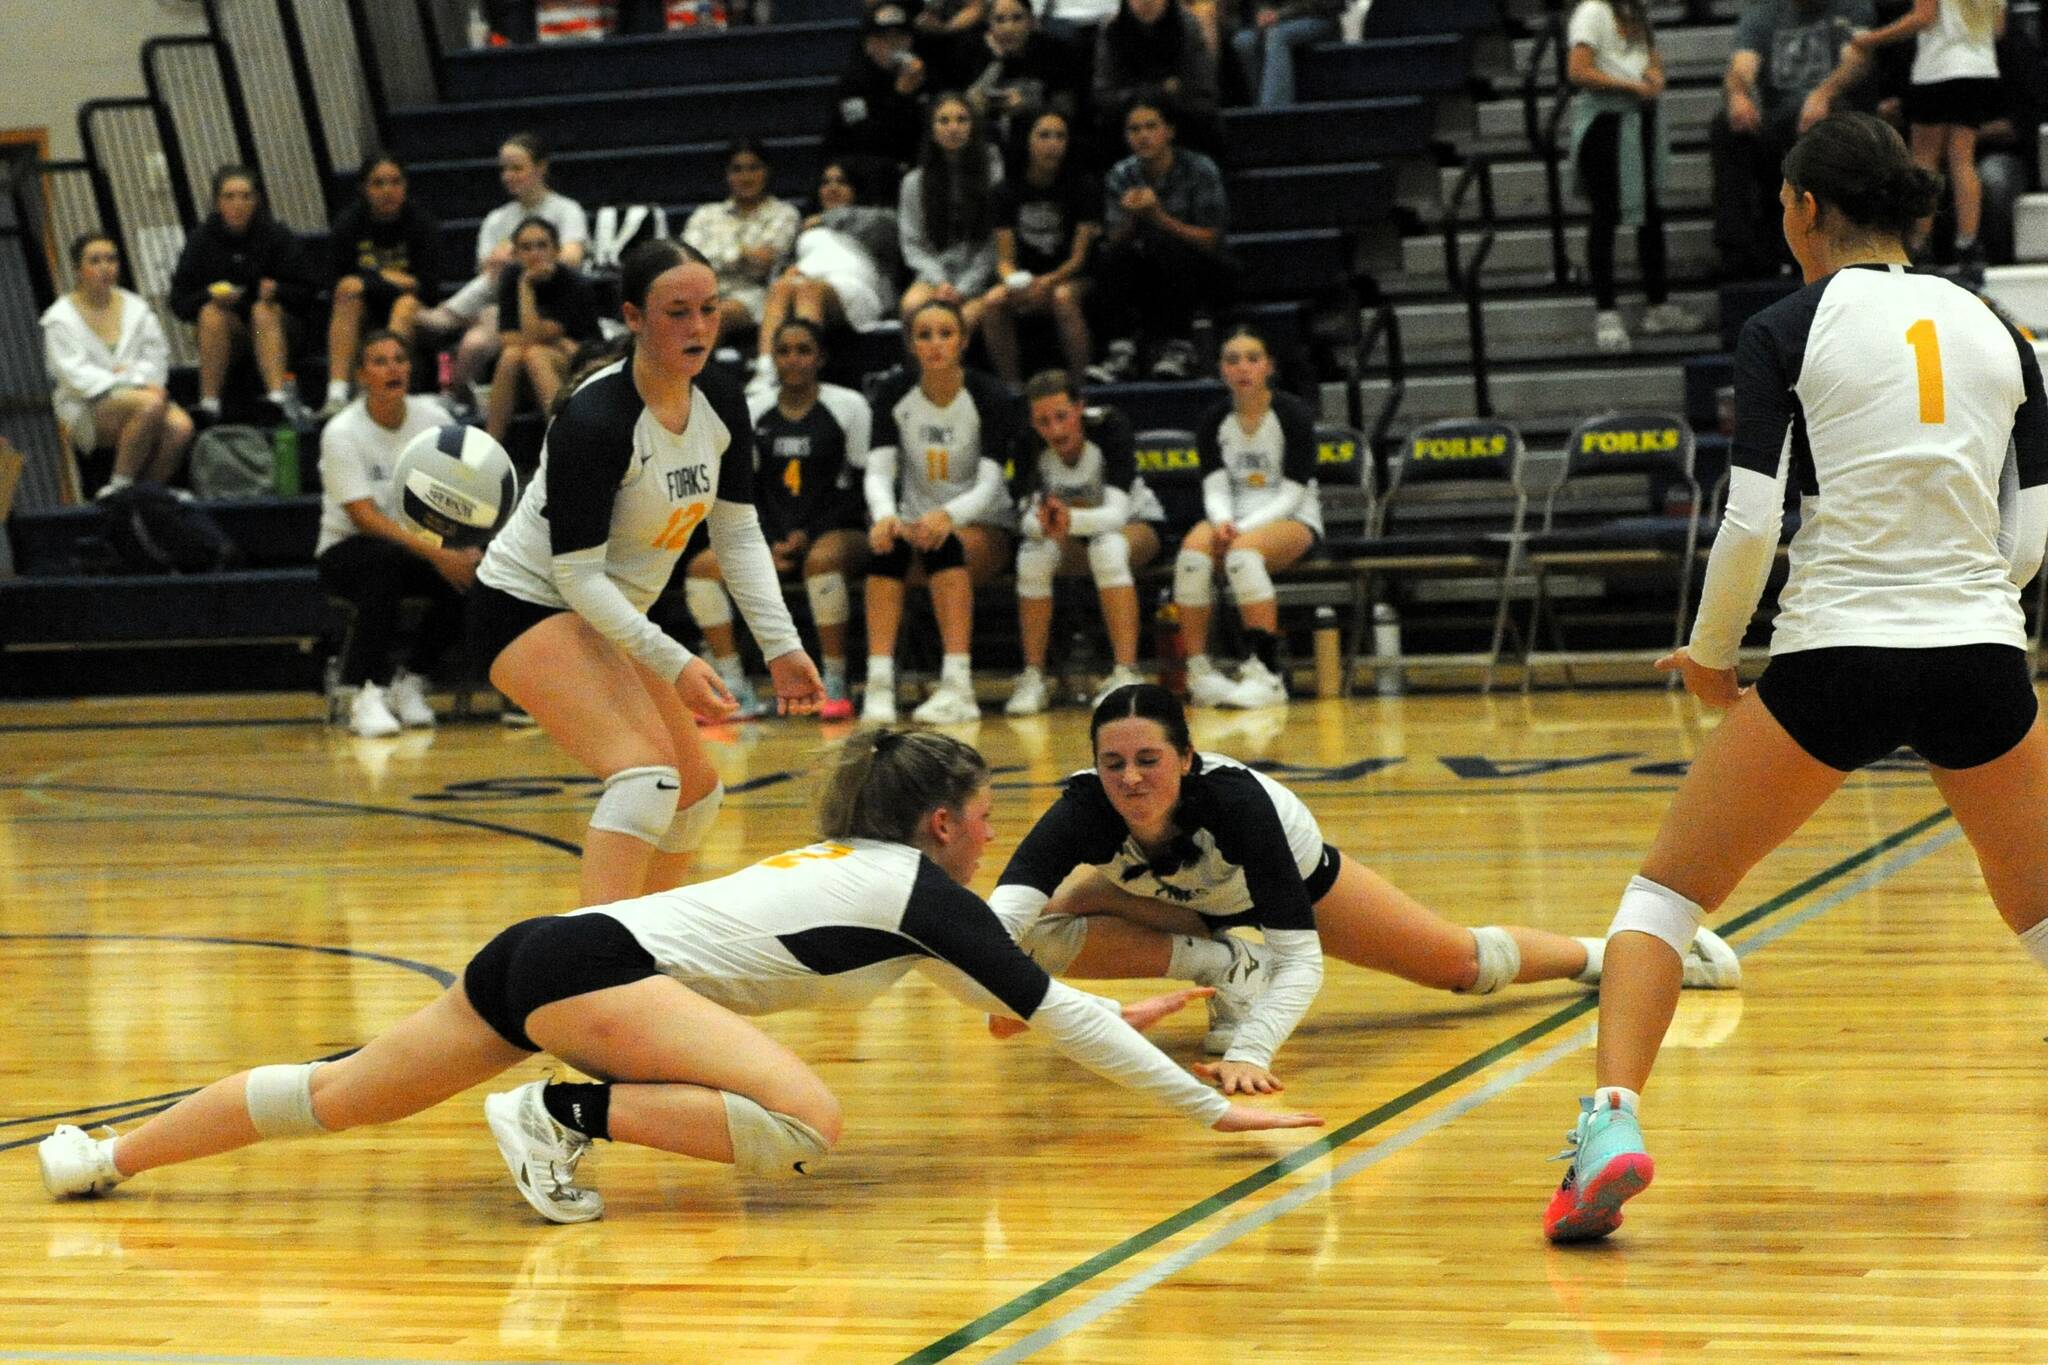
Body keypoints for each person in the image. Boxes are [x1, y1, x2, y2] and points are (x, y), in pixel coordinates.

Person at [38, 729, 1323, 1222]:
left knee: (341, 1096)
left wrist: (1138, 1009)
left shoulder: (872, 877)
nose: (994, 831)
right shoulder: (918, 891)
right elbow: (1046, 1019)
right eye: (982, 813)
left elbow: (1016, 1019)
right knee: (807, 1129)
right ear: (941, 824)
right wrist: (1214, 1106)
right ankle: (558, 1113)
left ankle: (103, 1158)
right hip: (593, 970)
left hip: (551, 949)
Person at [1541, 113, 2048, 1245]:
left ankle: (1608, 1128)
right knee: (2042, 917)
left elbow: (1750, 522)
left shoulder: (1786, 324)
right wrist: (1963, 604)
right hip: (1977, 650)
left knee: (1662, 900)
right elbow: (2030, 536)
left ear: (1807, 209)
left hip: (1833, 655)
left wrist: (1712, 658)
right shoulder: (1996, 327)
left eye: (1782, 202)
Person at [990, 684, 1742, 1092]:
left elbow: (1303, 960)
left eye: (1148, 759)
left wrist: (1253, 1050)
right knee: (1039, 929)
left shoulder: (1241, 805)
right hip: (1175, 897)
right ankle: (1223, 967)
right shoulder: (1083, 808)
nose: (1129, 779)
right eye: (1112, 762)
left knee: (1462, 965)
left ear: (1187, 757)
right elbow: (996, 921)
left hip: (1284, 888)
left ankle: (1607, 955)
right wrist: (1004, 991)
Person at [469, 238, 825, 906]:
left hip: (612, 615)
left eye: (709, 310)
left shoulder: (721, 398)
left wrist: (782, 646)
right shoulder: (596, 419)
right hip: (527, 605)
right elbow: (575, 578)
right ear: (633, 317)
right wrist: (677, 662)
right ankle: (585, 969)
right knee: (645, 776)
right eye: (676, 312)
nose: (697, 328)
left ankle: (635, 947)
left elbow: (738, 529)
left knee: (696, 796)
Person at [686, 319, 872, 720]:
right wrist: (769, 542)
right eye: (784, 351)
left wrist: (809, 535)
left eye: (803, 350)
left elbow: (859, 486)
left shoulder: (849, 406)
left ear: (820, 357)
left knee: (822, 562)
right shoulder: (754, 410)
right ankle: (733, 686)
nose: (793, 359)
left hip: (837, 528)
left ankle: (835, 681)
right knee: (702, 569)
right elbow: (744, 488)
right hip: (770, 533)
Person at [860, 298, 1020, 726]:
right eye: (924, 335)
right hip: (917, 523)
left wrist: (949, 515)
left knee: (944, 547)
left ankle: (958, 685)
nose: (935, 344)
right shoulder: (894, 392)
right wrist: (884, 514)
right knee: (885, 549)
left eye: (945, 334)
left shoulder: (987, 394)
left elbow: (991, 484)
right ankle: (878, 685)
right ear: (911, 344)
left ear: (963, 341)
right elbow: (878, 469)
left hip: (981, 523)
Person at [314, 332, 468, 738]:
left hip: (418, 548)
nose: (392, 368)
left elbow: (463, 491)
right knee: (387, 565)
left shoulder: (435, 420)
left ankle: (412, 680)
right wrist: (438, 553)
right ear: (363, 375)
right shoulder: (342, 431)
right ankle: (364, 690)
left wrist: (464, 547)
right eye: (380, 362)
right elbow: (364, 517)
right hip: (346, 551)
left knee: (474, 573)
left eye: (399, 359)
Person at [1169, 326, 1318, 709]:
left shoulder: (1292, 414)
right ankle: (1199, 670)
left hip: (1292, 514)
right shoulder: (1213, 420)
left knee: (1242, 556)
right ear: (1221, 369)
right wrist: (1222, 522)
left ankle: (1267, 674)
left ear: (1268, 366)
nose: (1243, 368)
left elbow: (1294, 489)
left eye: (1252, 358)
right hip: (1233, 515)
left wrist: (1240, 532)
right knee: (1191, 557)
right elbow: (1215, 486)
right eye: (1233, 360)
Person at [1004, 372, 1163, 715]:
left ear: (1080, 408)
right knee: (1031, 557)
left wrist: (1068, 519)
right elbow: (1026, 519)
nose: (1055, 429)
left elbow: (1117, 514)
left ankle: (1126, 671)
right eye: (1043, 421)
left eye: (1062, 416)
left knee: (1107, 548)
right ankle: (1033, 676)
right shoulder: (1027, 443)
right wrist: (1048, 524)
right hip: (1069, 537)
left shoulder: (1110, 428)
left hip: (1137, 525)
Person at [1566, 0, 1705, 353]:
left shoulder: (1636, 13)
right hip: (1606, 123)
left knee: (1651, 214)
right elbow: (1578, 71)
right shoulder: (1593, 12)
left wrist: (1655, 77)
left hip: (1639, 118)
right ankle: (1606, 312)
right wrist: (1629, 86)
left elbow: (1651, 60)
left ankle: (1657, 305)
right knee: (1605, 214)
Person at [416, 134, 590, 403]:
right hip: (503, 305)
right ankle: (456, 399)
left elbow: (570, 259)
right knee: (472, 345)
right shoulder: (497, 218)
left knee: (498, 337)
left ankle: (448, 315)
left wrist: (516, 259)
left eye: (516, 168)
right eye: (504, 169)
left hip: (554, 306)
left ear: (540, 167)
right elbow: (489, 275)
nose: (508, 176)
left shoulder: (567, 210)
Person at [1711, 0, 1876, 279]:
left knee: (1832, 128)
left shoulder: (1852, 8)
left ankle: (1837, 247)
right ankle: (1738, 254)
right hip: (1778, 120)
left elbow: (1857, 61)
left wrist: (1824, 93)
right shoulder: (1763, 11)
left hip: (1834, 112)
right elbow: (1742, 65)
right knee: (1726, 127)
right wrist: (1738, 94)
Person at [1848, 0, 2005, 277]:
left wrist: (1870, 39)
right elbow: (1998, 29)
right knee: (1962, 160)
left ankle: (1921, 245)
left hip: (1937, 71)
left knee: (1924, 159)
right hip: (1980, 69)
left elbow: (1923, 17)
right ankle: (1968, 244)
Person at [1087, 99, 1232, 383]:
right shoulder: (1121, 175)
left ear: (1169, 131)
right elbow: (1112, 241)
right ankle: (1120, 352)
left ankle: (1179, 347)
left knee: (1168, 246)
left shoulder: (1200, 169)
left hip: (1200, 264)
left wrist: (1158, 217)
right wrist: (1130, 219)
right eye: (1134, 129)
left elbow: (1211, 239)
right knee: (1109, 258)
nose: (1143, 136)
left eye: (1151, 127)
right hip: (1143, 265)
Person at [40, 233, 192, 497]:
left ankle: (147, 493)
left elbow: (156, 355)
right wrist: (129, 383)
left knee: (181, 427)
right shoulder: (59, 318)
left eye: (111, 259)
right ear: (78, 270)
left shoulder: (137, 308)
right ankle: (120, 487)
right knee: (150, 405)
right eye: (95, 260)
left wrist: (140, 381)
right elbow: (73, 374)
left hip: (142, 395)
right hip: (87, 405)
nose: (105, 267)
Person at [167, 165, 316, 423]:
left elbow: (309, 289)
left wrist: (277, 290)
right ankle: (209, 403)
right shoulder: (201, 240)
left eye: (246, 196)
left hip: (276, 331)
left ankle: (277, 397)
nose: (238, 204)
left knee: (262, 311)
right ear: (217, 202)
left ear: (256, 201)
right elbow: (179, 301)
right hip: (230, 335)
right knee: (211, 313)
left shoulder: (275, 235)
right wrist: (209, 296)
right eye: (230, 197)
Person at [752, 160, 903, 392]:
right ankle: (765, 371)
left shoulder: (876, 219)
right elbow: (781, 268)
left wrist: (826, 219)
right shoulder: (805, 227)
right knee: (782, 286)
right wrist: (785, 271)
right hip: (807, 281)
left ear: (856, 188)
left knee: (809, 288)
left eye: (841, 182)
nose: (831, 188)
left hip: (856, 288)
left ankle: (805, 371)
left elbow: (888, 227)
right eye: (825, 182)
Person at [981, 109, 1100, 384]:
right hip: (1026, 279)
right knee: (993, 300)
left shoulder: (1084, 186)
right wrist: (1015, 282)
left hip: (1073, 277)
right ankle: (1012, 387)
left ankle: (1079, 387)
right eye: (1044, 135)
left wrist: (1048, 281)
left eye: (1060, 136)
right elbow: (1004, 260)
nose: (1053, 143)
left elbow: (1079, 258)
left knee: (1062, 298)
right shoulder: (1005, 191)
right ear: (1027, 141)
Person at [321, 153, 443, 418]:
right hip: (365, 311)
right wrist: (391, 279)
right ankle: (337, 393)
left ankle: (387, 385)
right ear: (365, 188)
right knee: (347, 298)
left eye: (395, 182)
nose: (388, 190)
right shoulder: (348, 223)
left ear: (405, 186)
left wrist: (369, 278)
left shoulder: (421, 223)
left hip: (418, 316)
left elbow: (429, 289)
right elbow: (336, 285)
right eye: (378, 183)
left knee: (405, 303)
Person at [483, 217, 604, 442]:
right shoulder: (511, 278)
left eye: (542, 245)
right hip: (539, 363)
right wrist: (523, 285)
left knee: (535, 354)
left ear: (557, 250)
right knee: (512, 356)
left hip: (581, 366)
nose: (535, 253)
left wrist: (526, 288)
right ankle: (490, 447)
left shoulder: (572, 283)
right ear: (516, 254)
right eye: (526, 248)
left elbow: (534, 338)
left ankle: (567, 443)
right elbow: (508, 340)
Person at [898, 92, 1005, 336]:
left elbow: (995, 242)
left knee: (958, 323)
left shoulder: (993, 174)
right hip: (937, 273)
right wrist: (942, 283)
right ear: (932, 129)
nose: (953, 127)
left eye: (961, 120)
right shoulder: (914, 182)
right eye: (944, 121)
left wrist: (964, 288)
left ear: (973, 126)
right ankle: (917, 375)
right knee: (911, 307)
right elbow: (913, 244)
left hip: (982, 274)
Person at [681, 139, 802, 346]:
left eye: (753, 168)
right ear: (727, 175)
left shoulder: (784, 214)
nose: (746, 177)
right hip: (701, 291)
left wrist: (714, 255)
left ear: (767, 172)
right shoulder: (705, 214)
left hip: (754, 295)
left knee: (713, 314)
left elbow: (763, 265)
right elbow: (687, 260)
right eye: (737, 169)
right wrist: (742, 253)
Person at [1092, 0, 1221, 153]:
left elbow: (1201, 91)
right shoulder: (1113, 29)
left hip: (1183, 128)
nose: (1146, 2)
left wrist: (1140, 93)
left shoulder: (1186, 26)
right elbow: (1105, 96)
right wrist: (1163, 90)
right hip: (1124, 129)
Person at [965, 0, 1082, 151]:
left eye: (1017, 18)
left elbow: (1066, 110)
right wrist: (998, 60)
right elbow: (966, 106)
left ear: (1031, 21)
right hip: (987, 145)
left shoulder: (1055, 52)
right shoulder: (974, 50)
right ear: (989, 25)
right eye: (1000, 20)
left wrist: (1026, 107)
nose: (1009, 28)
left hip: (1037, 144)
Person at [824, 3, 930, 170]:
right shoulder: (852, 83)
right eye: (885, 38)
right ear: (869, 44)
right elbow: (863, 137)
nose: (894, 44)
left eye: (901, 37)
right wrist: (900, 95)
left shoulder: (922, 74)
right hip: (866, 169)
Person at [1230, 0, 1341, 107]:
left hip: (1318, 17)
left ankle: (1273, 112)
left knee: (1277, 35)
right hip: (1278, 22)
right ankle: (1256, 109)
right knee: (1243, 41)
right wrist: (1263, 12)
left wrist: (1280, 14)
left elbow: (1325, 5)